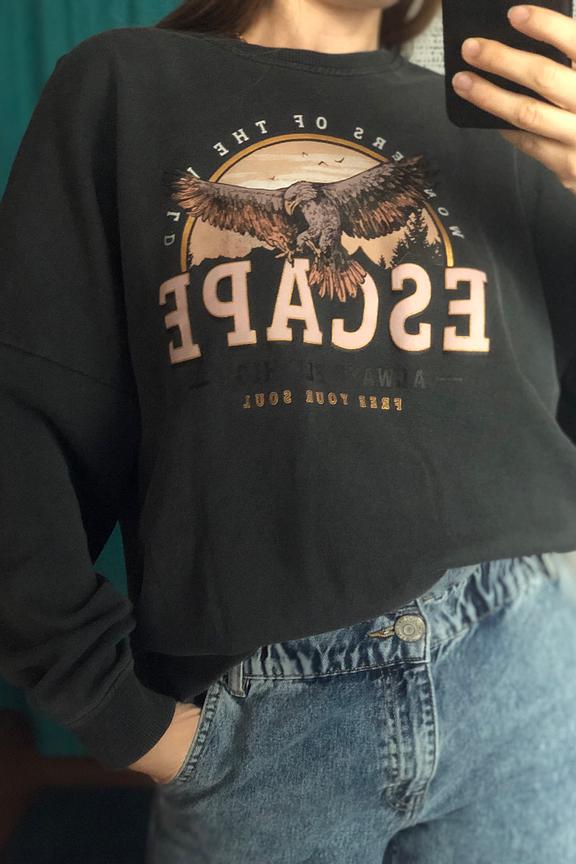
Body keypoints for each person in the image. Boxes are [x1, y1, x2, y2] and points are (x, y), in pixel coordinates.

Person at [1, 0, 576, 860]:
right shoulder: (122, 84)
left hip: (527, 665)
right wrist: (114, 708)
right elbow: (23, 419)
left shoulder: (509, 127)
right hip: (264, 714)